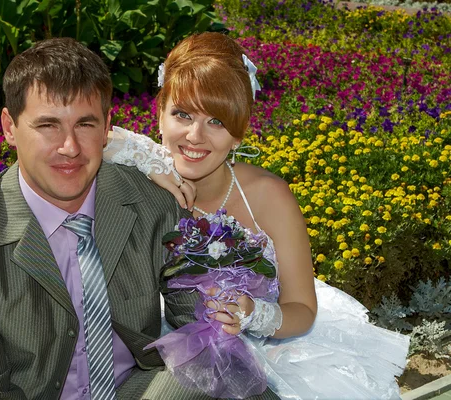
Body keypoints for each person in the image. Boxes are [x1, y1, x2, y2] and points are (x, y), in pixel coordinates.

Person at [104, 32, 410, 399]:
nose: (194, 136)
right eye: (181, 114)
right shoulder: (144, 175)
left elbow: (302, 309)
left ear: (238, 134)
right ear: (160, 114)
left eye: (216, 121)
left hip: (272, 354)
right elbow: (82, 140)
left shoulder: (268, 196)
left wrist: (253, 314)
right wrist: (145, 156)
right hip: (167, 354)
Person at [0, 37, 205, 400]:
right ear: (10, 127)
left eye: (85, 125)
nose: (70, 147)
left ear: (107, 128)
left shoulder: (155, 205)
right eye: (48, 125)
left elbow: (200, 332)